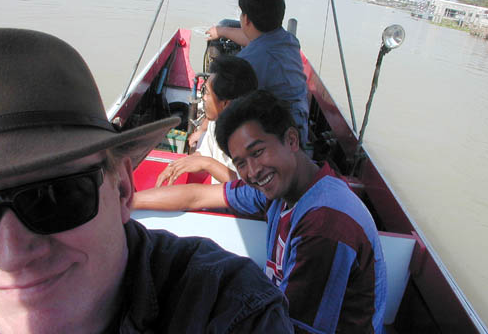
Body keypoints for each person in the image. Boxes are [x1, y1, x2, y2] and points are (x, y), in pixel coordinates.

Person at [0, 28, 294, 334]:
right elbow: (201, 195)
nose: (10, 256)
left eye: (56, 196)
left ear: (122, 190)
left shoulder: (229, 309)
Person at [135, 90, 387, 333]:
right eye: (240, 163)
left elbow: (292, 327)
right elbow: (196, 196)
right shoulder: (277, 190)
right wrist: (128, 202)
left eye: (257, 152)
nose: (253, 172)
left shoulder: (326, 224)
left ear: (291, 140)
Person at [205, 0, 309, 143]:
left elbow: (222, 101)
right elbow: (253, 39)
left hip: (279, 134)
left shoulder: (248, 60)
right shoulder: (289, 40)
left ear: (246, 19)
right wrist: (222, 31)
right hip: (300, 123)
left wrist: (203, 129)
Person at [157, 54, 257, 186]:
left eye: (207, 93)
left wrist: (206, 163)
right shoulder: (215, 122)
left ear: (226, 104)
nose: (203, 98)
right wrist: (176, 166)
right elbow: (203, 153)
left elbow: (249, 188)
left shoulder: (250, 138)